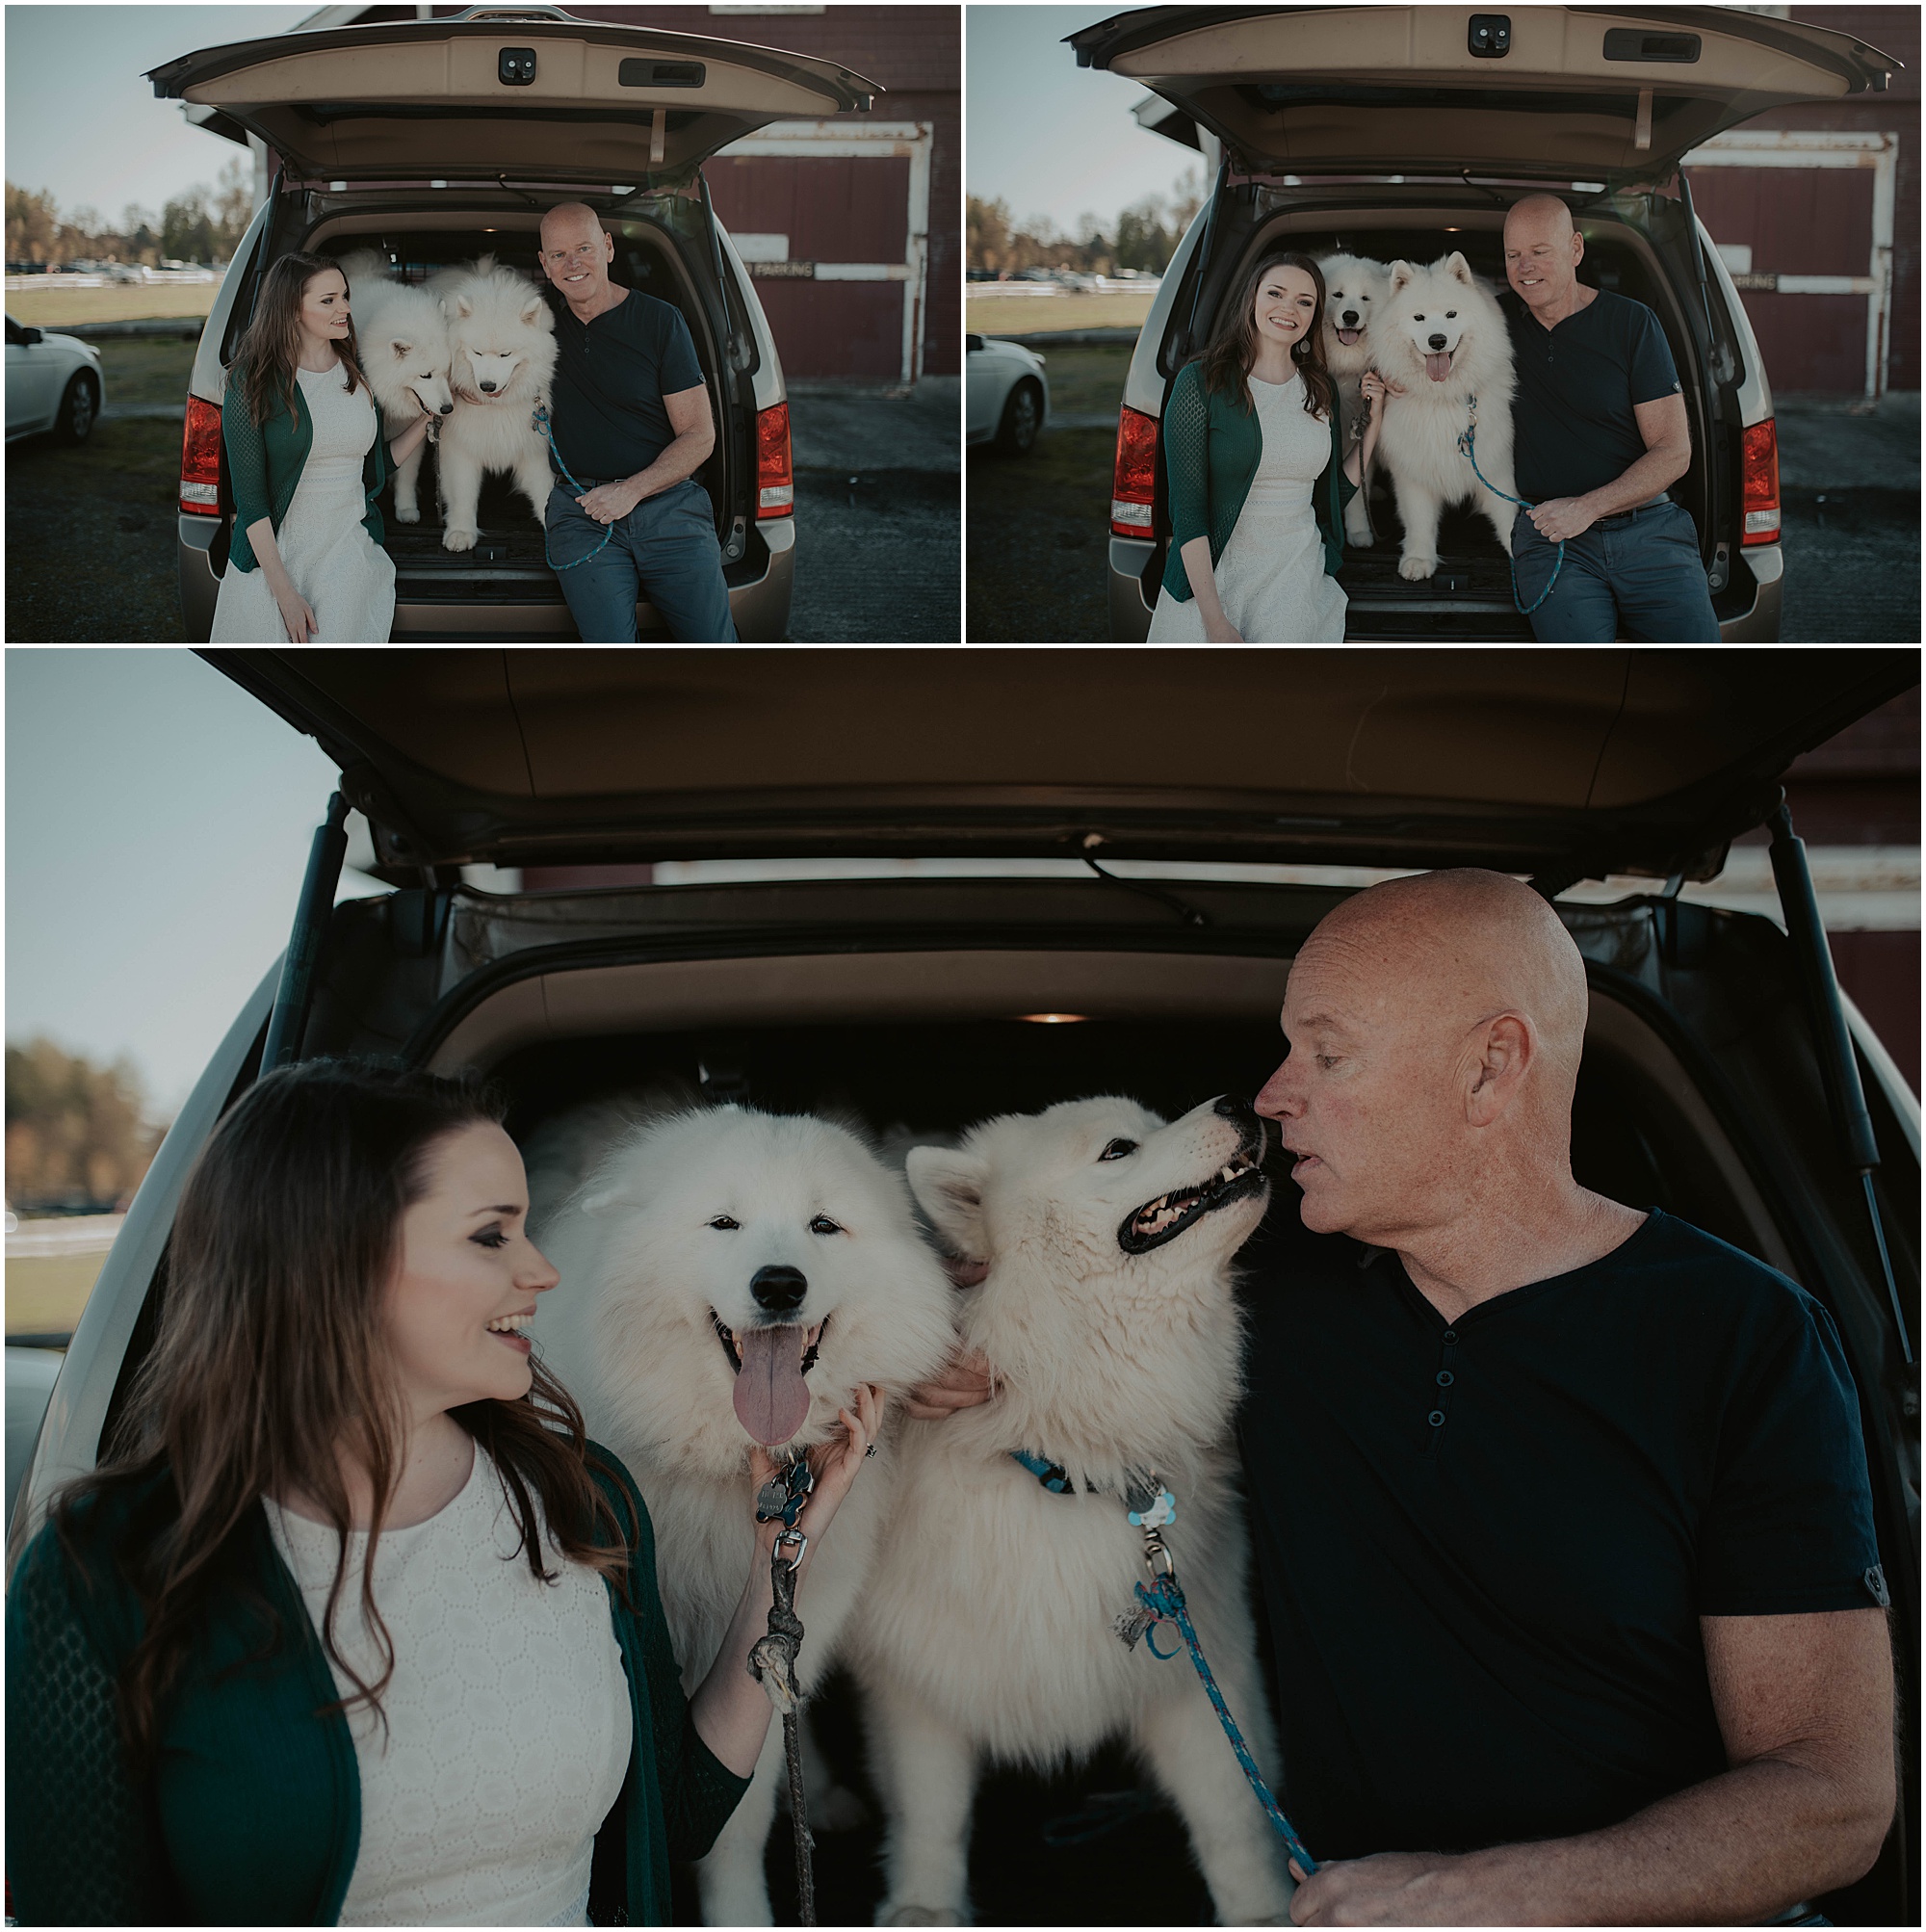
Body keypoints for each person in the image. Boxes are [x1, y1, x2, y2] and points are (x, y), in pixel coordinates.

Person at [906, 871, 1895, 1924]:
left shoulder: (1744, 1339)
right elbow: (1038, 1283)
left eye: (1325, 1054)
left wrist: (1482, 1896)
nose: (1274, 1092)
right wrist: (921, 1338)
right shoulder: (1256, 1304)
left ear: (1489, 1066)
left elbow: (1830, 1797)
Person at [7, 1059, 880, 1926]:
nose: (542, 1271)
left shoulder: (584, 1499)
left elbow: (680, 1811)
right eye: (493, 1236)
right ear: (337, 1255)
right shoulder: (99, 1575)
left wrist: (777, 1564)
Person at [1496, 192, 1720, 641]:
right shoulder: (1493, 323)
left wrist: (1588, 507)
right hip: (1552, 538)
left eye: (1540, 252)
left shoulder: (1632, 324)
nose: (1525, 268)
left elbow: (1674, 451)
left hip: (1650, 530)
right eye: (1513, 255)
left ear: (1576, 248)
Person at [1146, 252, 1376, 644]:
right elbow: (1188, 516)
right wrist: (1215, 622)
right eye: (1276, 293)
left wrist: (1377, 417)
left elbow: (1332, 493)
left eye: (1305, 302)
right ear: (1252, 297)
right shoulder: (1200, 382)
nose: (1289, 309)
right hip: (1214, 576)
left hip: (1293, 573)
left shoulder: (1320, 389)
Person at [534, 202, 737, 642]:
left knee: (715, 645)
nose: (573, 264)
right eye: (559, 254)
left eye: (584, 248)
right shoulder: (536, 331)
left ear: (607, 247)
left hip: (670, 507)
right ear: (544, 264)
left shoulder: (660, 321)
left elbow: (700, 435)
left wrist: (631, 491)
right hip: (582, 512)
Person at [209, 252, 428, 644]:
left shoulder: (358, 374)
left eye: (344, 295)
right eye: (328, 300)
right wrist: (286, 595)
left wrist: (428, 419)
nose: (345, 308)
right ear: (292, 310)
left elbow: (374, 467)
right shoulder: (250, 383)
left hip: (346, 548)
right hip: (276, 553)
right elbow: (252, 504)